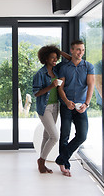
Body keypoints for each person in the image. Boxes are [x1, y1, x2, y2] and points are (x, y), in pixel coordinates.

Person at [55, 40, 95, 177]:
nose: (81, 52)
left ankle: (62, 157)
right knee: (64, 134)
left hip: (81, 106)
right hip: (67, 105)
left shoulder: (89, 67)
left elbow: (91, 86)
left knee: (82, 135)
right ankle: (64, 165)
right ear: (72, 50)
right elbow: (60, 87)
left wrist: (86, 104)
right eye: (78, 49)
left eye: (83, 50)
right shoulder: (64, 68)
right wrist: (66, 101)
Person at [32, 45, 71, 174]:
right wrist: (51, 86)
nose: (55, 60)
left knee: (47, 135)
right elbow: (36, 93)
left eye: (56, 58)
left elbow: (70, 59)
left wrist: (58, 51)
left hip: (55, 106)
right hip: (45, 108)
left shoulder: (57, 71)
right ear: (45, 58)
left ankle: (41, 162)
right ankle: (41, 161)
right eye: (52, 57)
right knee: (54, 137)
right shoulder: (40, 73)